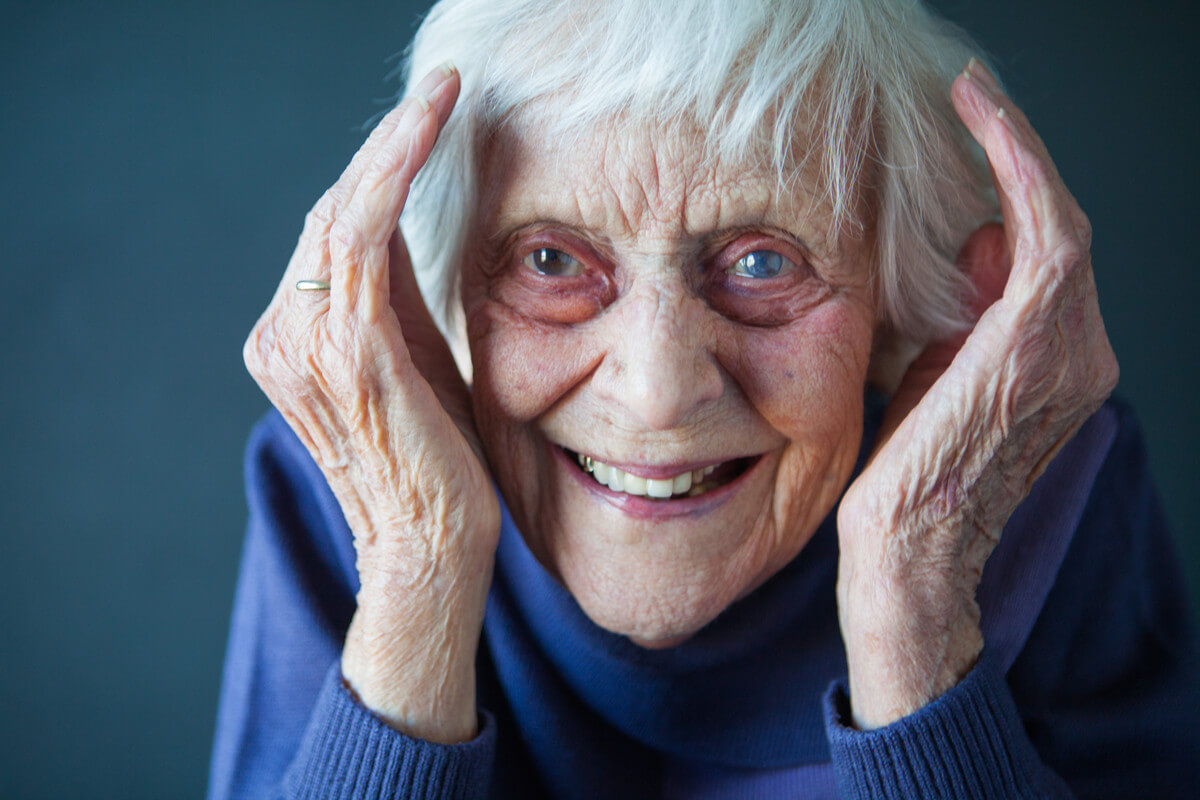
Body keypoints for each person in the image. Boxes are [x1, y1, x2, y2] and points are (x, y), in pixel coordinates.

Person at [208, 0, 1200, 797]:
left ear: (897, 306)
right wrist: (417, 565)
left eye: (763, 261)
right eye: (552, 260)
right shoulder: (351, 479)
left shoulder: (1037, 475)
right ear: (452, 284)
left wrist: (917, 600)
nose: (656, 390)